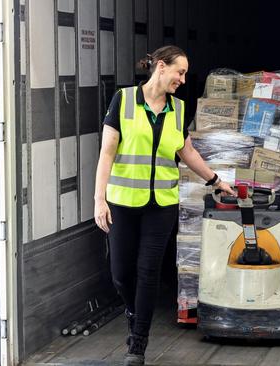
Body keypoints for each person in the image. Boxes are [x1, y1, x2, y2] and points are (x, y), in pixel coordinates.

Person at [93, 45, 235, 366]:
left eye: (184, 74)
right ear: (161, 67)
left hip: (162, 205)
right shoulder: (124, 100)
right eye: (179, 72)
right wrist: (99, 199)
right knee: (120, 273)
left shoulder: (180, 109)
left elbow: (187, 152)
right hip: (123, 203)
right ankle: (133, 312)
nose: (183, 79)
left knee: (148, 272)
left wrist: (215, 181)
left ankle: (138, 342)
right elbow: (107, 153)